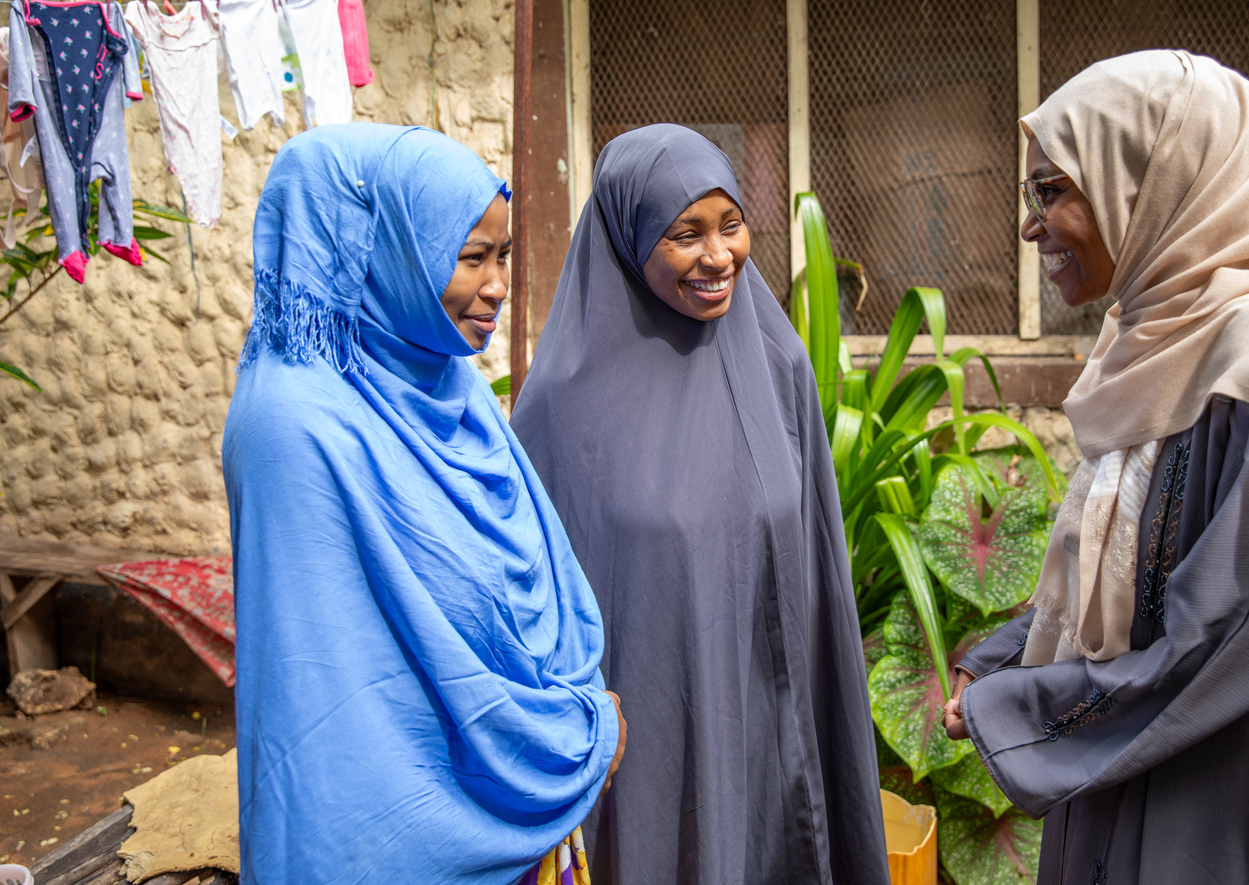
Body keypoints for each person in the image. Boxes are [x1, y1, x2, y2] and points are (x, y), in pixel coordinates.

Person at [941, 51, 1249, 884]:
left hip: (1200, 790)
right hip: (1118, 745)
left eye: (1052, 191)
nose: (1029, 226)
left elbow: (1235, 632)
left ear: (1154, 181)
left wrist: (1026, 708)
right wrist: (998, 659)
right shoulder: (1157, 329)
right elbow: (1119, 565)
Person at [224, 125, 624, 885]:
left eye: (502, 256)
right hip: (400, 833)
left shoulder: (449, 381)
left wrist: (566, 725)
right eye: (471, 257)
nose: (499, 286)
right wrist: (563, 736)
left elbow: (513, 579)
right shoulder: (295, 426)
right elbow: (329, 694)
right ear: (381, 252)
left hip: (528, 796)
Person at [510, 125, 889, 885]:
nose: (718, 256)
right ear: (628, 236)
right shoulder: (561, 406)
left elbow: (814, 551)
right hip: (656, 740)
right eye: (685, 234)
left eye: (731, 225)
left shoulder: (776, 362)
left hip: (774, 726)